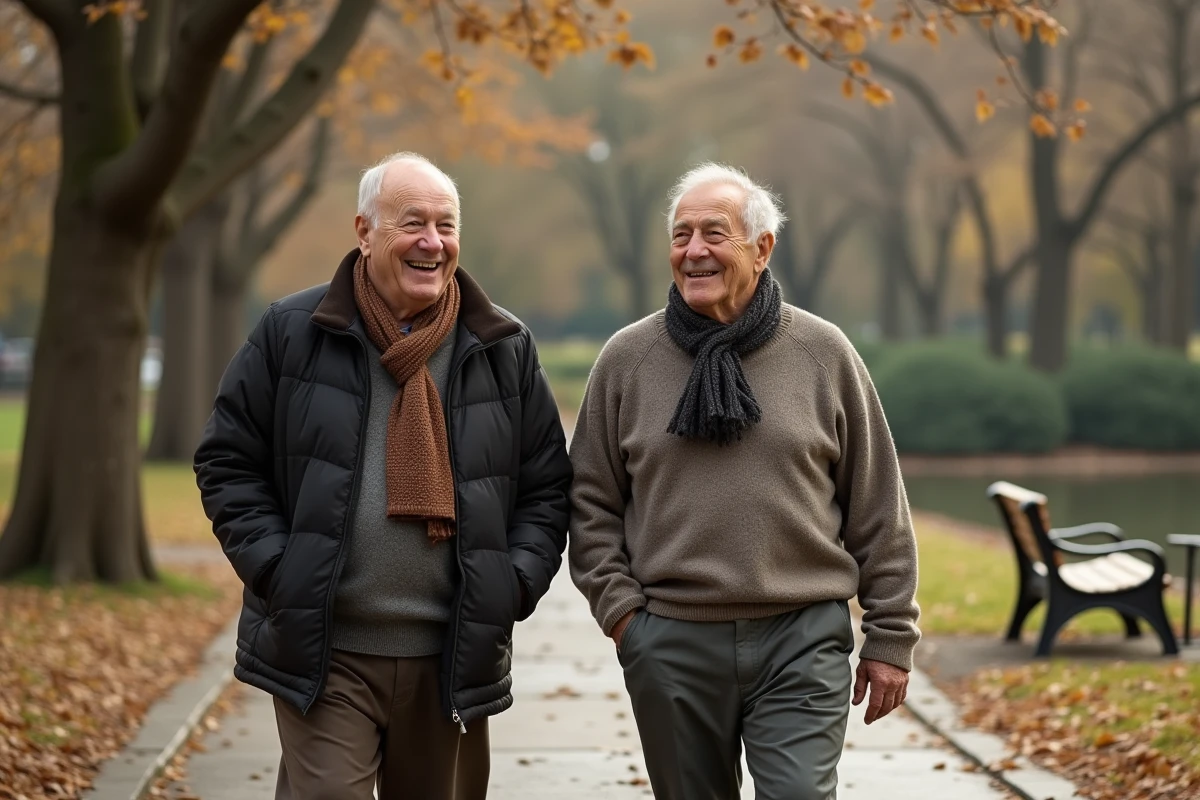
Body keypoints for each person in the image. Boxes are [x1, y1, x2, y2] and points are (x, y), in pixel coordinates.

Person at [194, 152, 572, 800]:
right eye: (412, 223)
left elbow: (546, 485)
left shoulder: (502, 345)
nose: (433, 242)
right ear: (364, 232)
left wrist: (510, 585)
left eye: (446, 225)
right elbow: (228, 460)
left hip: (453, 655)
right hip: (326, 648)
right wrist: (278, 569)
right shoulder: (292, 333)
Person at [568, 163, 920, 799]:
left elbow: (878, 504)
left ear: (763, 248)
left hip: (801, 638)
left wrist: (891, 636)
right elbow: (589, 502)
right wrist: (626, 620)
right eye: (681, 236)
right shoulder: (627, 359)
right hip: (670, 639)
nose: (694, 251)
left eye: (714, 234)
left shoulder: (824, 353)